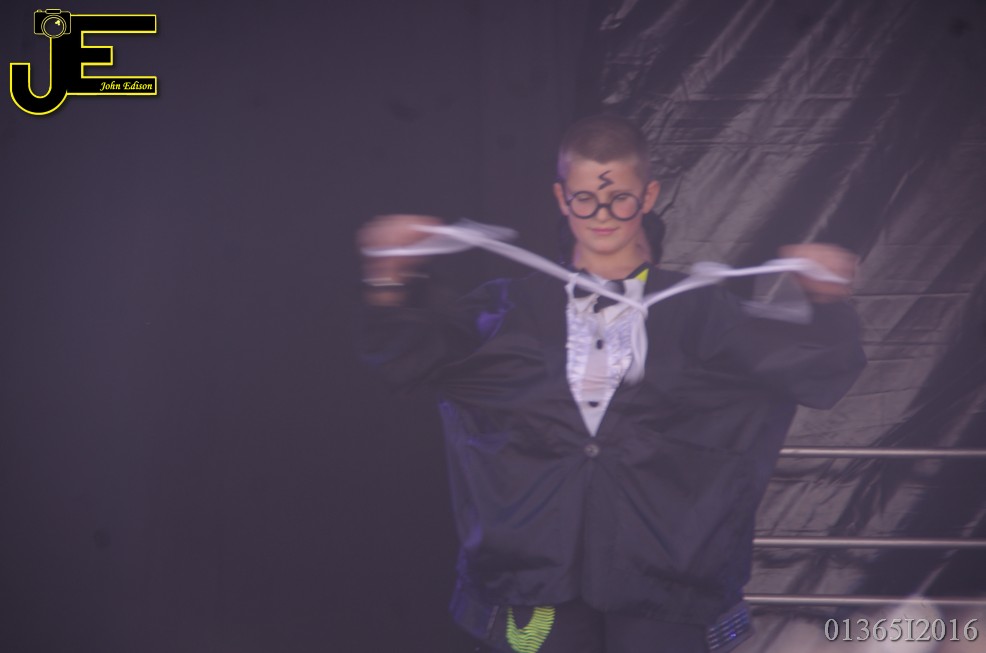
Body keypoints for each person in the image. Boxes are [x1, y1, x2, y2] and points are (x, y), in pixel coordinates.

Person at [357, 115, 866, 653]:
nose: (602, 215)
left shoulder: (701, 313)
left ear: (648, 196)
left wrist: (827, 298)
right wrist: (388, 274)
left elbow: (817, 369)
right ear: (562, 198)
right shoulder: (509, 309)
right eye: (585, 199)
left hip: (662, 588)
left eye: (619, 198)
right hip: (534, 589)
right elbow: (405, 356)